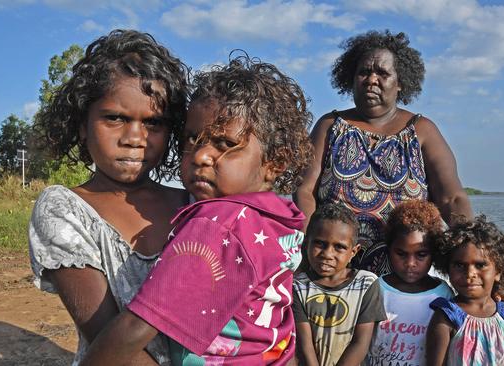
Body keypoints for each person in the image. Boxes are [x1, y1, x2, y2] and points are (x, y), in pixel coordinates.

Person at [80, 53, 314, 365]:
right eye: (193, 138)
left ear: (274, 163)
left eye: (224, 144)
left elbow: (138, 326)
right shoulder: (281, 215)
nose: (201, 155)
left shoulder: (219, 221)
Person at [28, 29, 189, 365]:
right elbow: (107, 342)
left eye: (154, 122)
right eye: (115, 118)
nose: (135, 137)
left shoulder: (192, 205)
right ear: (83, 124)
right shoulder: (64, 209)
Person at [294, 30, 473, 276]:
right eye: (364, 72)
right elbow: (304, 190)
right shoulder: (329, 126)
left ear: (399, 83)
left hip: (404, 275)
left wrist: (470, 249)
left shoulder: (422, 131)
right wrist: (307, 246)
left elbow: (451, 199)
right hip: (334, 272)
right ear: (351, 78)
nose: (371, 80)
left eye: (383, 73)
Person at [293, 203, 386, 366]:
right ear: (306, 243)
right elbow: (304, 346)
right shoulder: (297, 285)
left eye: (339, 247)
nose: (328, 254)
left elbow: (361, 343)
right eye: (319, 243)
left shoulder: (366, 284)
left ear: (353, 252)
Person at [426, 216, 504, 366]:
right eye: (459, 265)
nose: (470, 273)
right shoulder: (447, 317)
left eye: (480, 265)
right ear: (447, 270)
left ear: (498, 272)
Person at [366, 200, 454, 365]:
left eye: (421, 254)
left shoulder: (443, 294)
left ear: (433, 253)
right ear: (389, 249)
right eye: (401, 253)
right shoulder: (377, 288)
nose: (410, 263)